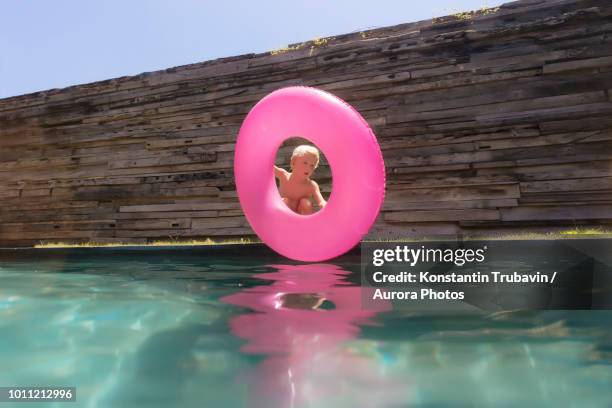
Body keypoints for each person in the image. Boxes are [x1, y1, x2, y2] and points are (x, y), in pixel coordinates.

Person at [274, 145, 327, 215]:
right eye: (305, 163)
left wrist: (326, 206)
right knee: (285, 201)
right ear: (293, 162)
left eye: (312, 165)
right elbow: (268, 167)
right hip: (284, 215)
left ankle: (306, 224)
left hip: (301, 217)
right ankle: (283, 223)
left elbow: (321, 202)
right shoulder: (283, 175)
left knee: (305, 202)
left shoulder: (311, 185)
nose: (308, 168)